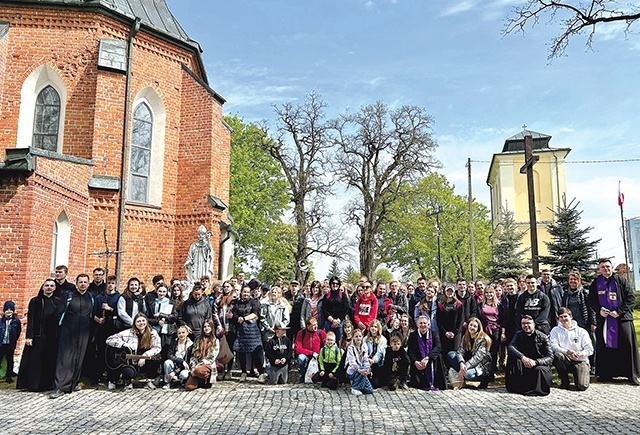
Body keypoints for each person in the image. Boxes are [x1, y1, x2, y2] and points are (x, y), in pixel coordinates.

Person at [588, 258, 640, 385]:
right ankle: (607, 374)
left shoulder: (621, 281)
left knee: (626, 345)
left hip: (622, 319)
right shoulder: (596, 283)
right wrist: (599, 310)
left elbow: (630, 299)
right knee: (605, 346)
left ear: (612, 268)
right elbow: (591, 300)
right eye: (603, 267)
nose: (606, 269)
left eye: (608, 267)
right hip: (604, 319)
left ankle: (631, 375)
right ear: (599, 270)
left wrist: (619, 311)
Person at [49, 274, 95, 399]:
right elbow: (59, 314)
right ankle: (59, 386)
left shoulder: (90, 297)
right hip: (68, 332)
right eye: (80, 282)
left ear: (88, 284)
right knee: (64, 359)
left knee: (78, 358)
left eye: (85, 282)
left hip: (84, 332)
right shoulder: (68, 296)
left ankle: (73, 383)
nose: (83, 284)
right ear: (76, 283)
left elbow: (91, 315)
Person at [17, 279, 60, 391]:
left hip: (52, 337)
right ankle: (33, 385)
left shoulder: (57, 301)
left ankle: (46, 385)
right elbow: (31, 319)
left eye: (51, 286)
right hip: (37, 336)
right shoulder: (35, 301)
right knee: (35, 362)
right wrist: (29, 336)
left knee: (48, 361)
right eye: (47, 285)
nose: (49, 287)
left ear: (55, 288)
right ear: (43, 287)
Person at [105, 313, 161, 390]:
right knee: (128, 372)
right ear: (134, 323)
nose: (141, 323)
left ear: (146, 322)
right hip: (132, 362)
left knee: (157, 359)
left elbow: (157, 347)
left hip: (145, 361)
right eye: (138, 321)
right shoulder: (128, 333)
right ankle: (127, 381)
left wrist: (144, 356)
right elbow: (109, 339)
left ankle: (148, 381)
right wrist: (124, 344)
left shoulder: (153, 333)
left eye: (143, 320)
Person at [506, 315, 554, 396]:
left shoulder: (543, 337)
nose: (526, 326)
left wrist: (536, 362)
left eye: (528, 323)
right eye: (523, 323)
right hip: (525, 363)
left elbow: (550, 357)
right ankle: (515, 386)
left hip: (539, 364)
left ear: (534, 324)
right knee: (513, 358)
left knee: (539, 370)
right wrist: (522, 357)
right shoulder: (518, 334)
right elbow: (511, 347)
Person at [549, 307, 593, 390]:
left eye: (565, 316)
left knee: (582, 386)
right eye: (560, 317)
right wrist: (567, 352)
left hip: (580, 360)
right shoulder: (555, 330)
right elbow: (553, 346)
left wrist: (580, 353)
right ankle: (564, 380)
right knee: (557, 355)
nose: (563, 319)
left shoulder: (581, 331)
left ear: (571, 317)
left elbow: (590, 349)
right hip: (565, 359)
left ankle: (580, 375)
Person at [447, 316, 493, 390]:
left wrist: (465, 367)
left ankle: (485, 379)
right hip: (467, 364)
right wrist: (461, 363)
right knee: (451, 354)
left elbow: (478, 358)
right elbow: (460, 351)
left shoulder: (483, 339)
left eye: (475, 326)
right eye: (471, 325)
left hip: (480, 366)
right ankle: (462, 379)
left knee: (468, 374)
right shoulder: (465, 337)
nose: (472, 327)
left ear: (478, 328)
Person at [231, 285, 265, 382]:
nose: (245, 294)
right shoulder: (236, 303)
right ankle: (243, 372)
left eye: (247, 292)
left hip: (253, 330)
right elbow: (233, 314)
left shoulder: (254, 301)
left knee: (255, 352)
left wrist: (244, 318)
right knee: (241, 352)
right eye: (244, 292)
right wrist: (238, 318)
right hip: (241, 330)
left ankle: (261, 372)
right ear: (241, 292)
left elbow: (256, 313)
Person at [91, 274, 120, 384]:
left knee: (111, 351)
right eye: (109, 283)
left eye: (113, 283)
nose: (110, 285)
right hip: (101, 328)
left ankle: (111, 374)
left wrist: (110, 309)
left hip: (113, 327)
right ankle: (99, 374)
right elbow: (92, 312)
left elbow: (120, 312)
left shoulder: (118, 297)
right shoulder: (100, 297)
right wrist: (98, 319)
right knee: (101, 351)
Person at [407, 315, 445, 391]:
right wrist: (415, 362)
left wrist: (428, 357)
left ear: (428, 324)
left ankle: (435, 382)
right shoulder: (413, 335)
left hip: (431, 360)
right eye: (420, 323)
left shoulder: (434, 334)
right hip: (419, 362)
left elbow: (438, 347)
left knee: (439, 356)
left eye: (425, 323)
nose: (423, 325)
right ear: (417, 324)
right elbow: (410, 351)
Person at [476, 285, 504, 376]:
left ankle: (492, 370)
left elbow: (503, 318)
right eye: (487, 293)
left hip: (495, 329)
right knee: (484, 350)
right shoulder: (480, 305)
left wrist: (503, 332)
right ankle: (485, 369)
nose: (489, 294)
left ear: (494, 293)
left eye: (491, 292)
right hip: (484, 329)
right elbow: (478, 317)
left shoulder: (499, 305)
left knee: (494, 350)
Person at [185, 318, 220, 391]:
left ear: (212, 327)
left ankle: (206, 378)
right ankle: (201, 380)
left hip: (207, 364)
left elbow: (211, 357)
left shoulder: (215, 341)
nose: (206, 328)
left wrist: (196, 368)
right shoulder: (198, 339)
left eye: (208, 326)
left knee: (198, 371)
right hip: (197, 365)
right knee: (189, 387)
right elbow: (193, 355)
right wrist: (193, 367)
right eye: (205, 327)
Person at [436, 285, 463, 364]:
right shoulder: (441, 305)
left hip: (456, 333)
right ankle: (446, 370)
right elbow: (439, 320)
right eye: (448, 291)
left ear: (454, 292)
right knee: (445, 351)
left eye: (451, 291)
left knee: (455, 352)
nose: (449, 293)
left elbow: (461, 320)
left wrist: (455, 332)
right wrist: (445, 332)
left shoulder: (459, 305)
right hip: (444, 332)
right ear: (445, 292)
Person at [148, 284, 178, 357]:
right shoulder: (152, 302)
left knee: (165, 353)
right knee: (155, 353)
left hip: (167, 332)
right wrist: (157, 322)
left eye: (164, 291)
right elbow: (147, 318)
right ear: (156, 291)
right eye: (160, 291)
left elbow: (174, 317)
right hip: (155, 330)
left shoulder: (171, 302)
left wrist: (161, 315)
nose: (162, 293)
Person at [295, 316, 327, 382]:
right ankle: (303, 375)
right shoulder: (301, 333)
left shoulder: (321, 333)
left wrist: (320, 354)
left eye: (316, 324)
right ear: (308, 325)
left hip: (318, 355)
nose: (316, 326)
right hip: (306, 355)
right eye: (313, 325)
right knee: (300, 358)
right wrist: (311, 353)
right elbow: (297, 349)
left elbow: (326, 346)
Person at [345, 329, 373, 395]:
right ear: (353, 338)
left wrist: (367, 369)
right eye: (356, 336)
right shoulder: (350, 348)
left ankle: (358, 384)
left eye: (360, 336)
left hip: (362, 369)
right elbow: (352, 362)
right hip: (353, 371)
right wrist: (360, 370)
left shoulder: (364, 346)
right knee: (361, 371)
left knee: (369, 390)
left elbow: (366, 359)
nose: (358, 338)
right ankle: (355, 387)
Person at [321, 276, 350, 342]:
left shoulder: (342, 295)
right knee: (329, 341)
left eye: (337, 283)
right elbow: (324, 309)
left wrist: (338, 320)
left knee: (339, 341)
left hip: (339, 322)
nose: (335, 285)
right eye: (333, 283)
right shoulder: (327, 296)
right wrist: (332, 320)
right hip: (329, 322)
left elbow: (345, 308)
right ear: (330, 284)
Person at [1, 300, 22, 383]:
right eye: (7, 310)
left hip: (10, 343)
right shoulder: (1, 321)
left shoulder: (16, 321)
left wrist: (14, 340)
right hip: (2, 343)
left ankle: (8, 376)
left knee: (10, 360)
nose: (9, 312)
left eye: (10, 310)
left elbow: (18, 331)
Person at [364, 319, 387, 389]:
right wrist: (367, 359)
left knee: (375, 384)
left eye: (375, 327)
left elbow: (380, 353)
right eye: (372, 326)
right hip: (367, 362)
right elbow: (364, 351)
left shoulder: (383, 340)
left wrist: (373, 360)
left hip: (377, 363)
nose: (373, 328)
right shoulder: (365, 339)